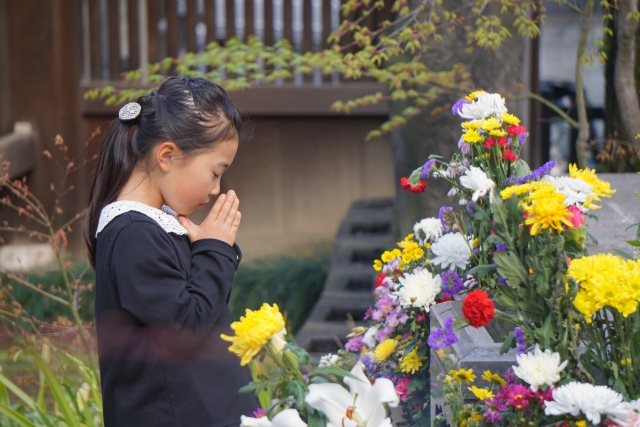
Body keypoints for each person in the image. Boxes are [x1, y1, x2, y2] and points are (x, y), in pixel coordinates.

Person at [84, 76, 258, 427]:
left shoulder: (152, 226)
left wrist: (206, 249)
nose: (215, 189)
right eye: (214, 172)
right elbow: (186, 327)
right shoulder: (132, 232)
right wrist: (214, 251)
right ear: (167, 155)